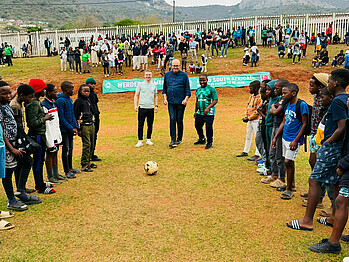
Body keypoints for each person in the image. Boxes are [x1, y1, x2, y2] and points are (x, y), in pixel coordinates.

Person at [286, 69, 349, 231]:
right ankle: (334, 217)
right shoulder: (345, 99)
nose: (328, 84)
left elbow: (341, 128)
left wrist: (326, 144)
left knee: (314, 180)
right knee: (335, 182)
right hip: (340, 147)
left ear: (336, 83)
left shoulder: (337, 101)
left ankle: (307, 221)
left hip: (332, 147)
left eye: (329, 81)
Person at [271, 83, 309, 200]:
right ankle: (290, 184)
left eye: (284, 93)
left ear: (293, 93)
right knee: (289, 162)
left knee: (288, 161)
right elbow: (284, 121)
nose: (282, 95)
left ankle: (289, 190)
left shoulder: (301, 105)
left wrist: (296, 140)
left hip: (294, 139)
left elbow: (304, 124)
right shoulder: (287, 104)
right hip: (285, 137)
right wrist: (276, 137)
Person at [10, 84, 42, 201]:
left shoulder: (18, 103)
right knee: (28, 160)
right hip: (16, 140)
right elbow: (14, 126)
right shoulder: (15, 106)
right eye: (29, 97)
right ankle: (21, 190)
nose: (30, 100)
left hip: (19, 138)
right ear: (22, 95)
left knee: (21, 163)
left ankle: (20, 188)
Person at [0, 81, 28, 211]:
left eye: (9, 92)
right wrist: (11, 148)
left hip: (16, 142)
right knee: (8, 172)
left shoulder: (6, 105)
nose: (8, 95)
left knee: (27, 161)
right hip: (7, 145)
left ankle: (21, 190)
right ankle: (11, 200)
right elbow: (0, 130)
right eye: (4, 93)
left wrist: (16, 89)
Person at [26, 79, 56, 194]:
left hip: (40, 133)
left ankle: (41, 182)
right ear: (38, 90)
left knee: (40, 160)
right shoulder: (33, 103)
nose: (45, 91)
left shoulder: (36, 101)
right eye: (43, 89)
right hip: (37, 135)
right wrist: (45, 118)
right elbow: (32, 123)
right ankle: (40, 186)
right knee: (38, 161)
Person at [261, 79, 290, 188]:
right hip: (272, 126)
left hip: (279, 127)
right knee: (272, 152)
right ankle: (274, 174)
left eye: (274, 89)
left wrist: (273, 108)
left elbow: (275, 111)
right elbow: (272, 111)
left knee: (279, 154)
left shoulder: (282, 100)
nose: (272, 90)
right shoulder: (274, 99)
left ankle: (281, 177)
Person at [162, 59, 191, 148]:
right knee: (172, 119)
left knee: (179, 119)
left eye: (177, 66)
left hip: (181, 102)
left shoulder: (184, 75)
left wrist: (185, 99)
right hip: (171, 101)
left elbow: (187, 90)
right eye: (174, 66)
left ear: (179, 66)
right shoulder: (167, 75)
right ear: (171, 66)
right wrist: (165, 99)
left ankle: (179, 138)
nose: (175, 67)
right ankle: (173, 139)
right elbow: (165, 89)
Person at [41, 84, 66, 184]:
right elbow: (46, 122)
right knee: (50, 154)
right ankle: (50, 176)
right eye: (55, 92)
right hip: (49, 133)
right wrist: (49, 136)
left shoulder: (54, 103)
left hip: (56, 132)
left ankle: (56, 174)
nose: (57, 93)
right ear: (49, 93)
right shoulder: (44, 104)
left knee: (55, 153)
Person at [55, 81, 80, 179]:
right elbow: (62, 118)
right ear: (66, 89)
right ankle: (66, 171)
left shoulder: (69, 100)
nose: (73, 90)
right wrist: (70, 128)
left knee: (71, 149)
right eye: (71, 88)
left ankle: (70, 168)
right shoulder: (60, 101)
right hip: (64, 131)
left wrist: (75, 127)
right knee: (66, 150)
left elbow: (72, 115)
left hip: (70, 130)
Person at [236, 81, 261, 160]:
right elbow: (247, 107)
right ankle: (245, 151)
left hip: (256, 120)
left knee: (257, 137)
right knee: (248, 135)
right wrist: (246, 116)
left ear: (256, 88)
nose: (249, 90)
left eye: (251, 88)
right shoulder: (251, 97)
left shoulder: (260, 98)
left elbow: (258, 111)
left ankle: (257, 154)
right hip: (249, 120)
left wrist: (249, 118)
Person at [74, 84, 96, 172]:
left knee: (92, 143)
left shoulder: (88, 100)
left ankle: (88, 162)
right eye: (85, 91)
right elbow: (75, 115)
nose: (87, 93)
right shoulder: (78, 101)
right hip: (84, 125)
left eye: (88, 91)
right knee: (86, 144)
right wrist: (78, 128)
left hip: (91, 124)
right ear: (80, 91)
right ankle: (84, 164)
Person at [134, 70, 158, 148]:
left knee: (150, 124)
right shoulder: (140, 84)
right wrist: (135, 105)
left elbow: (155, 96)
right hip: (142, 107)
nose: (148, 76)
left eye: (149, 75)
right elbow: (136, 95)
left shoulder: (154, 85)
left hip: (150, 107)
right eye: (147, 75)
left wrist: (156, 106)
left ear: (151, 76)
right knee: (140, 124)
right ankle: (140, 140)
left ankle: (148, 139)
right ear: (144, 76)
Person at [193, 74, 218, 150]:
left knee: (208, 127)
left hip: (209, 112)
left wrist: (208, 108)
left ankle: (209, 142)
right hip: (200, 112)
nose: (202, 82)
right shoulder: (198, 90)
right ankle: (202, 139)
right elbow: (197, 101)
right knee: (197, 125)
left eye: (204, 80)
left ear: (207, 80)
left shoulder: (211, 89)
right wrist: (195, 111)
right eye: (200, 80)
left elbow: (215, 100)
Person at [85, 78, 101, 162]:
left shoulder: (94, 94)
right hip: (90, 118)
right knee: (89, 138)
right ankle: (88, 155)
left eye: (94, 84)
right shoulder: (85, 95)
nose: (92, 85)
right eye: (90, 84)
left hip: (96, 116)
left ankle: (92, 153)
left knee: (95, 136)